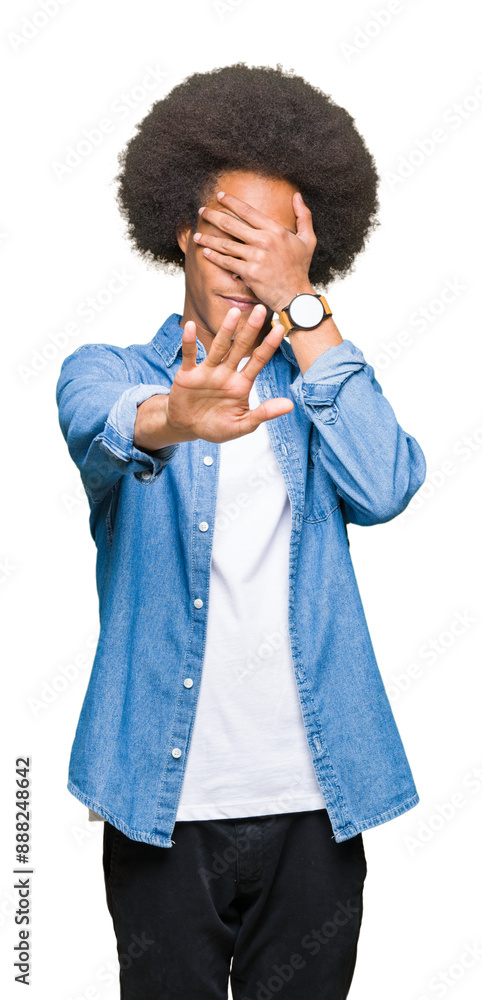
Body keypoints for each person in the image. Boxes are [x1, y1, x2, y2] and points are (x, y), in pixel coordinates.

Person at [56, 63, 426, 1000]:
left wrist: (305, 311)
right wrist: (175, 418)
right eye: (229, 239)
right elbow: (108, 424)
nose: (247, 268)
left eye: (273, 252)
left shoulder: (325, 388)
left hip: (319, 805)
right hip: (159, 803)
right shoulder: (107, 369)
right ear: (183, 229)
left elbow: (386, 485)